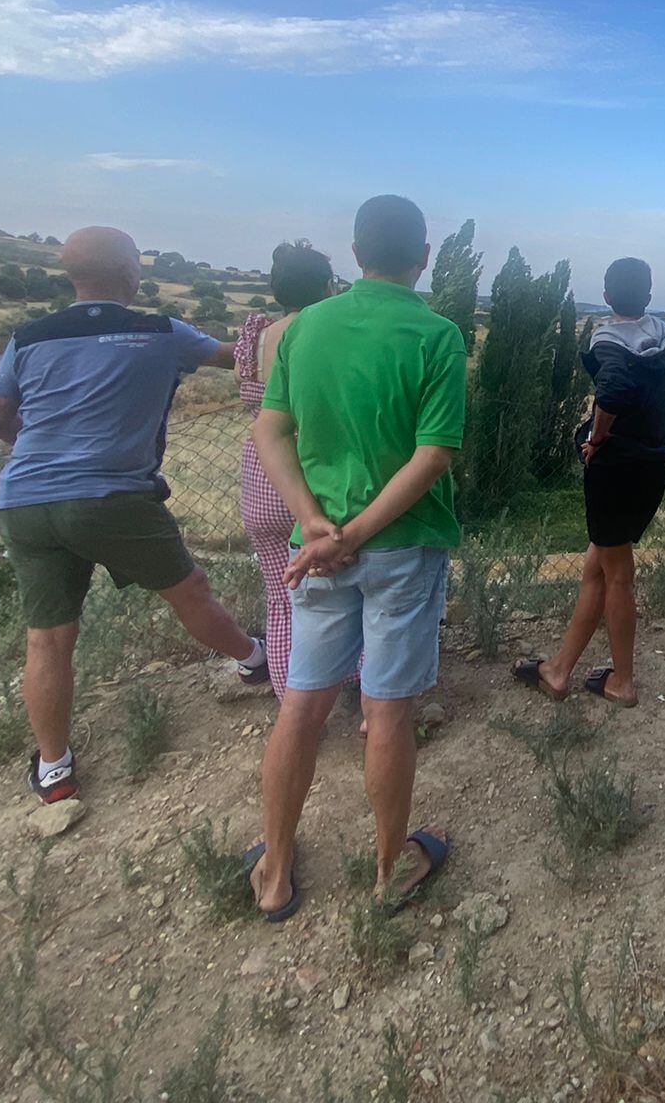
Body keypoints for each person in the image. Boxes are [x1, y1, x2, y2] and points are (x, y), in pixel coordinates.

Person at [0, 226, 269, 806]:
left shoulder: (29, 336)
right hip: (114, 497)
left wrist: (40, 455)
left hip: (24, 500)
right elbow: (236, 362)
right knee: (191, 593)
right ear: (133, 274)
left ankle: (55, 768)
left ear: (72, 276)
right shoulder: (159, 331)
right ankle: (253, 661)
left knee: (48, 641)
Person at [246, 196, 463, 920]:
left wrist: (316, 526)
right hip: (401, 550)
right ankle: (386, 870)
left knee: (303, 704)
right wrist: (360, 533)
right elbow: (432, 456)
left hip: (317, 554)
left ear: (356, 251)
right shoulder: (437, 335)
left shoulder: (304, 327)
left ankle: (275, 872)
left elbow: (270, 430)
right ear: (423, 255)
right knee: (387, 712)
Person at [513, 258, 665, 708]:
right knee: (600, 565)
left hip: (614, 470)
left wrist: (596, 436)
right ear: (649, 295)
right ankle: (558, 671)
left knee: (618, 575)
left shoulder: (606, 338)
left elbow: (609, 391)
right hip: (654, 465)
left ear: (606, 295)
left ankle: (623, 682)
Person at [235, 240, 346, 705]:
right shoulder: (328, 330)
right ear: (327, 286)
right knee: (342, 591)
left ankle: (292, 705)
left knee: (282, 601)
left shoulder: (259, 333)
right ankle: (359, 685)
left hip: (262, 471)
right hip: (316, 470)